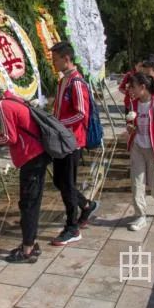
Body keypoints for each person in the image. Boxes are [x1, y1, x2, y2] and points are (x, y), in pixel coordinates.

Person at [0, 89, 50, 263]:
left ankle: (27, 250)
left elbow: (10, 138)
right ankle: (31, 243)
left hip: (31, 156)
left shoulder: (2, 105)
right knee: (33, 201)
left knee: (28, 203)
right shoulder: (12, 100)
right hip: (36, 154)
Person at [50, 42, 99, 246]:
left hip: (72, 141)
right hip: (62, 139)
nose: (53, 63)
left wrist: (58, 124)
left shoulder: (77, 83)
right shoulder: (64, 81)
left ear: (66, 58)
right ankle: (86, 205)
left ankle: (72, 227)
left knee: (67, 184)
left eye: (55, 59)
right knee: (60, 181)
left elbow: (81, 113)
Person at [125, 73, 154, 231]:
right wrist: (130, 128)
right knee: (137, 183)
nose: (131, 90)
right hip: (137, 147)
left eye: (133, 87)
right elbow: (131, 124)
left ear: (143, 88)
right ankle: (140, 216)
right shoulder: (134, 104)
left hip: (153, 149)